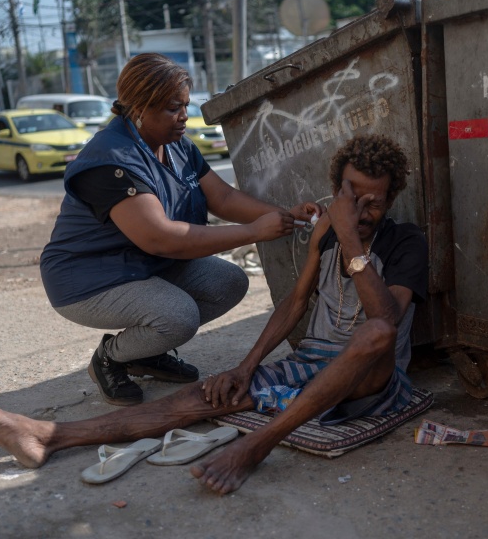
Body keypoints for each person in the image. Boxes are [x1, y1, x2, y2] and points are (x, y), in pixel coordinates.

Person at [0, 134, 428, 495]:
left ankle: (255, 447)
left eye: (376, 201)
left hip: (374, 378)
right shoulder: (326, 236)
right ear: (337, 191)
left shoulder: (405, 241)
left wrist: (350, 239)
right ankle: (50, 435)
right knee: (202, 397)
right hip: (312, 364)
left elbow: (385, 320)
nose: (364, 211)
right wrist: (245, 367)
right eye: (355, 199)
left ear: (391, 199)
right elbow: (294, 303)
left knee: (373, 334)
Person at [39, 52, 318, 406]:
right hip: (88, 278)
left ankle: (144, 353)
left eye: (185, 105)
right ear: (139, 107)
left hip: (140, 266)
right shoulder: (110, 161)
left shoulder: (177, 147)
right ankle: (111, 356)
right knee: (177, 316)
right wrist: (253, 232)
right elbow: (161, 239)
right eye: (174, 108)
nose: (185, 116)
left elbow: (223, 198)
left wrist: (283, 215)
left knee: (229, 282)